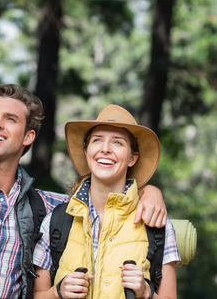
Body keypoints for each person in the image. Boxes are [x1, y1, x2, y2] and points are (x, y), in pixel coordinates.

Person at [0, 1, 169, 298]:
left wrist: (147, 192)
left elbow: (101, 199)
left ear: (28, 136)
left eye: (9, 119)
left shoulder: (44, 207)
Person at [32, 104, 180, 299]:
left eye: (117, 143)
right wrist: (57, 291)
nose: (105, 149)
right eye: (97, 140)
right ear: (86, 151)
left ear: (132, 158)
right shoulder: (56, 219)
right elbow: (36, 295)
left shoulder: (157, 225)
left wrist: (146, 293)